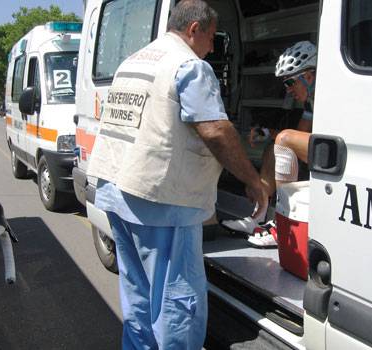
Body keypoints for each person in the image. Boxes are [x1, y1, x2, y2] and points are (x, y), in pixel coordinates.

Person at [86, 1, 267, 349]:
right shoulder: (189, 66)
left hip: (117, 191)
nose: (213, 47)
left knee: (138, 296)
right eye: (213, 37)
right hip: (161, 202)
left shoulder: (134, 61)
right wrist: (252, 180)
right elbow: (214, 130)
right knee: (175, 303)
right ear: (194, 29)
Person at [221, 41, 316, 248]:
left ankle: (284, 224)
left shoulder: (327, 95)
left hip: (340, 153)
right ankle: (259, 215)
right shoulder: (310, 101)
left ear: (308, 76)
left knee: (282, 140)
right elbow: (300, 135)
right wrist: (267, 133)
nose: (288, 90)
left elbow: (292, 138)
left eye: (290, 83)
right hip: (323, 148)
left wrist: (279, 136)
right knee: (276, 145)